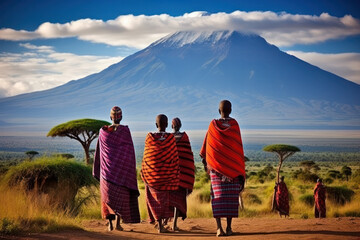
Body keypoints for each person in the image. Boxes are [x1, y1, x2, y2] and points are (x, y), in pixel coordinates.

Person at [200, 100, 246, 237]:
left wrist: (206, 164)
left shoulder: (213, 125)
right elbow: (238, 149)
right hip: (232, 171)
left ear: (218, 110)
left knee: (218, 199)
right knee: (230, 199)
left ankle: (219, 228)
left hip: (216, 170)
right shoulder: (234, 125)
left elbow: (207, 147)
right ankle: (229, 228)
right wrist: (238, 169)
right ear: (230, 110)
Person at [93, 106, 140, 231]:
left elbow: (99, 153)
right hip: (122, 175)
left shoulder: (103, 132)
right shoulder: (125, 132)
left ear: (110, 118)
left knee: (107, 199)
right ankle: (118, 224)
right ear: (122, 117)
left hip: (106, 174)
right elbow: (129, 153)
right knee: (121, 200)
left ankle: (110, 225)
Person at [141, 114, 180, 233]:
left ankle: (159, 224)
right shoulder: (170, 139)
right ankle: (162, 225)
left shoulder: (150, 138)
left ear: (156, 125)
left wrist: (146, 171)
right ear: (167, 125)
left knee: (155, 200)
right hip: (167, 176)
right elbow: (174, 157)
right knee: (164, 200)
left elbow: (147, 158)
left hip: (152, 176)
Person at [171, 117, 195, 231]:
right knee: (178, 201)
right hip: (182, 175)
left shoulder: (168, 139)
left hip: (170, 175)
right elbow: (188, 157)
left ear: (172, 126)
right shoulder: (184, 138)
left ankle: (168, 223)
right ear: (180, 126)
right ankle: (174, 224)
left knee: (170, 199)